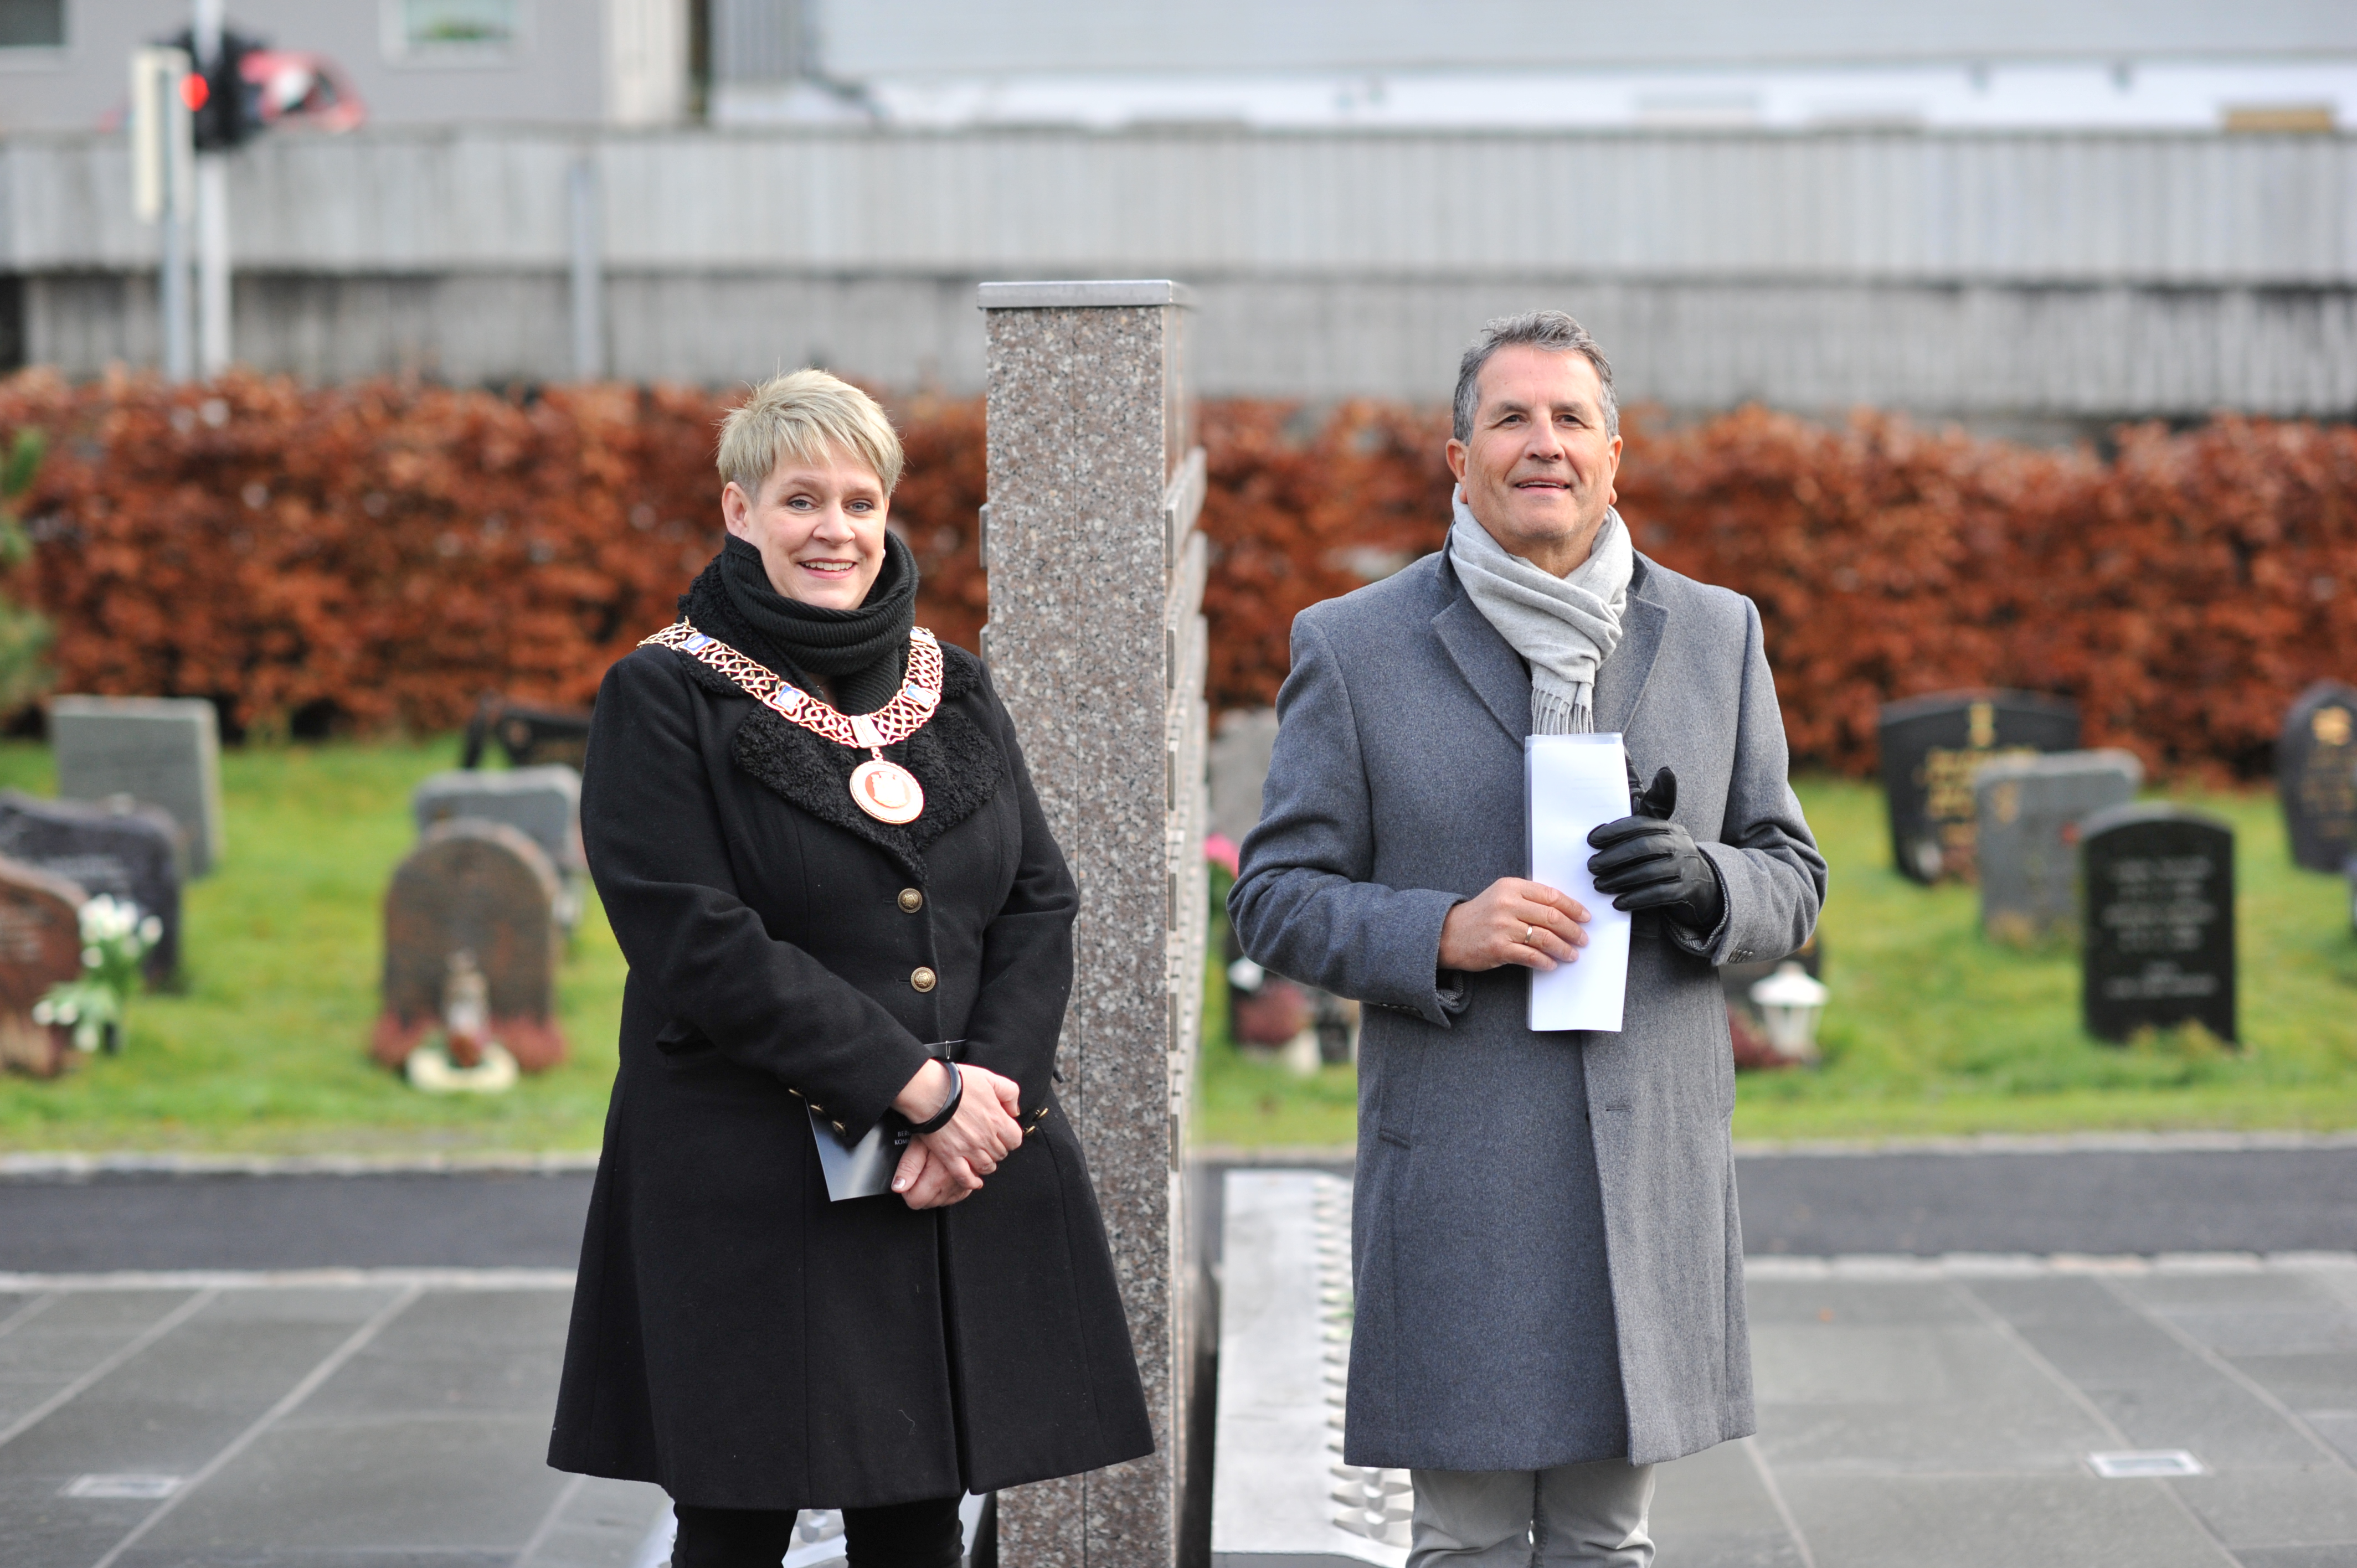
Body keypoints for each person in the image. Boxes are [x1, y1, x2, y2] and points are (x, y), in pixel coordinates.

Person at [1229, 313, 1824, 1567]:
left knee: (1609, 1539)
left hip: (1642, 1159)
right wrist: (1444, 928)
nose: (1540, 443)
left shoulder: (1718, 635)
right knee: (1471, 1538)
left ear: (1616, 454)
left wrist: (1704, 881)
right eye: (1510, 418)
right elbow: (1274, 896)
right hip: (1461, 1159)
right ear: (1458, 457)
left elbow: (1794, 880)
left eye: (1568, 419)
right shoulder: (1354, 644)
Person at [548, 369, 1154, 1568]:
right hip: (750, 1169)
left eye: (860, 501)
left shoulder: (954, 684)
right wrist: (914, 1090)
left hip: (945, 1169)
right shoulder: (663, 694)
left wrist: (993, 1098)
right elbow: (696, 940)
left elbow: (1037, 898)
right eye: (799, 500)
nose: (834, 530)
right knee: (736, 1512)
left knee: (920, 1506)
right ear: (738, 512)